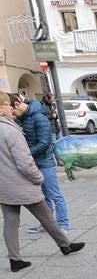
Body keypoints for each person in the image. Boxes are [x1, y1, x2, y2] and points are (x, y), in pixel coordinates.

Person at [0, 92, 84, 271]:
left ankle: (15, 260)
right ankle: (65, 245)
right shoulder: (10, 130)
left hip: (4, 185)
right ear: (2, 107)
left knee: (10, 221)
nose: (10, 108)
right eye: (7, 105)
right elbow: (24, 161)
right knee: (45, 215)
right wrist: (37, 178)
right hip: (21, 182)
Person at [11, 95, 70, 233]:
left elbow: (44, 143)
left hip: (45, 161)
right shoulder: (24, 117)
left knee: (55, 194)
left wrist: (25, 154)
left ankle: (63, 225)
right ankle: (47, 224)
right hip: (34, 161)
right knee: (44, 196)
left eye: (13, 111)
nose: (13, 114)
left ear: (17, 104)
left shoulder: (39, 117)